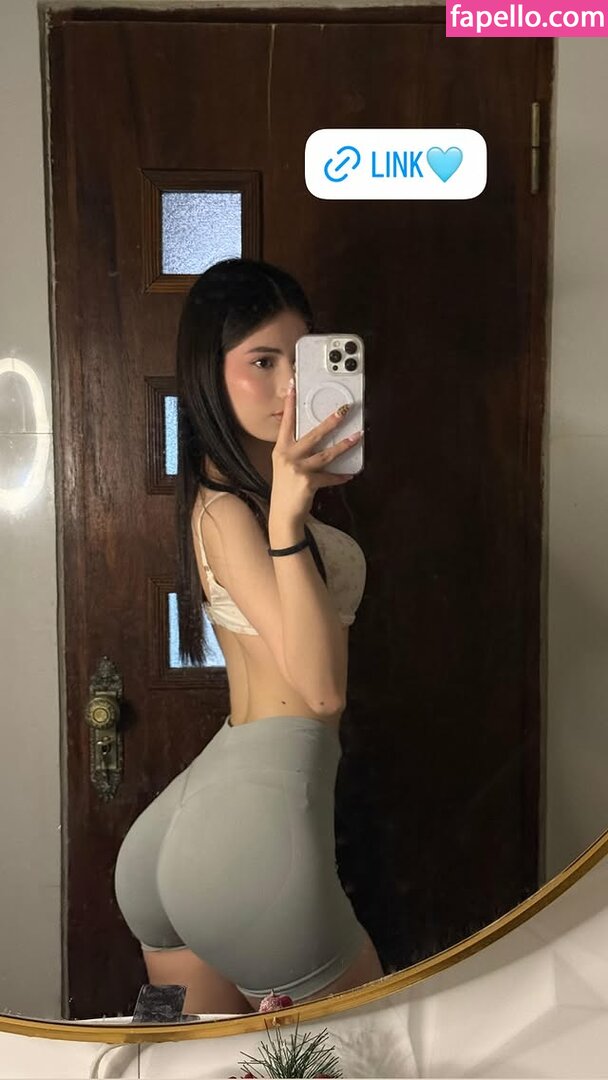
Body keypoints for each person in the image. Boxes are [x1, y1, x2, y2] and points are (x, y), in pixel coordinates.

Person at [114, 258, 384, 1015]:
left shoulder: (230, 495)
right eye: (262, 362)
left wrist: (294, 498)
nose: (288, 387)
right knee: (374, 1058)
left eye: (299, 360)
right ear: (211, 373)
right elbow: (321, 693)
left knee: (217, 1065)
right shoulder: (234, 511)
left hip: (195, 823)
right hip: (253, 832)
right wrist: (290, 516)